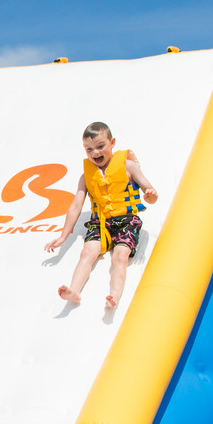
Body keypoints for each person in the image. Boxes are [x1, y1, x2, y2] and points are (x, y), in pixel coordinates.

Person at [44, 121, 158, 310]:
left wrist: (150, 195)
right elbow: (76, 205)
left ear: (112, 143)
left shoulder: (128, 166)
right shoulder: (86, 176)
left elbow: (150, 191)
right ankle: (74, 290)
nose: (95, 153)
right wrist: (64, 236)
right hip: (101, 222)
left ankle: (114, 295)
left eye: (100, 146)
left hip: (126, 221)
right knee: (87, 252)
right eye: (89, 149)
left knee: (120, 256)